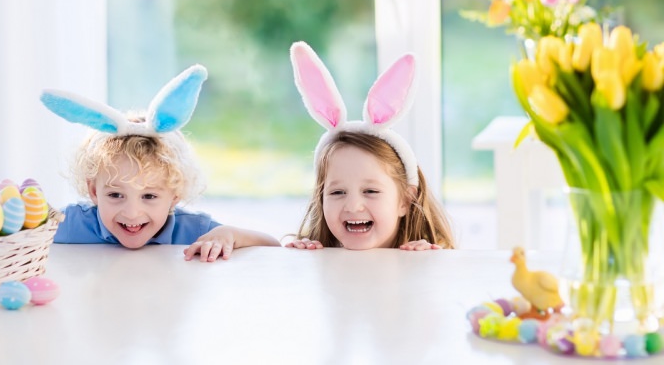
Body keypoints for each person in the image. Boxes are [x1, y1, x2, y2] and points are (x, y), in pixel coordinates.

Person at [41, 65, 279, 261]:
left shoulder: (194, 230)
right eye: (115, 195)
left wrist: (229, 233)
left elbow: (273, 247)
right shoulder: (70, 224)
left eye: (149, 196)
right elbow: (15, 238)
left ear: (175, 194)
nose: (132, 213)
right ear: (94, 190)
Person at [283, 42, 455, 251]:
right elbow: (266, 247)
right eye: (337, 192)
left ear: (405, 201)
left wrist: (428, 263)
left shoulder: (426, 255)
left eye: (371, 191)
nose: (353, 206)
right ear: (321, 200)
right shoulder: (317, 250)